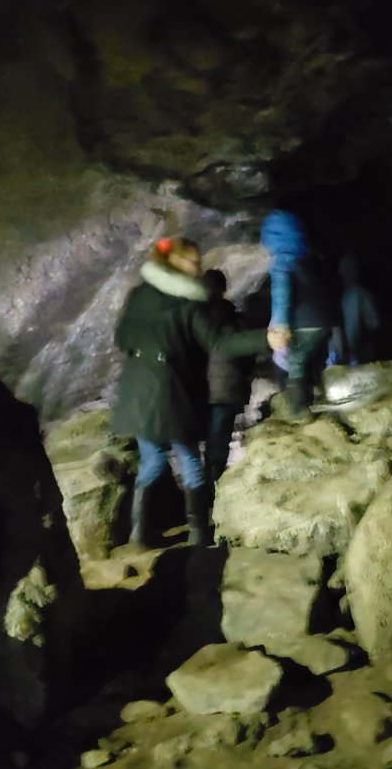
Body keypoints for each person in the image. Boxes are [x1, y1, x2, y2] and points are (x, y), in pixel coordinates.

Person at [112, 236, 268, 548]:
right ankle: (198, 532)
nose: (196, 268)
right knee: (188, 457)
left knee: (153, 459)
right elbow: (220, 344)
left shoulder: (140, 295)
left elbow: (122, 339)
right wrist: (266, 338)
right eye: (192, 262)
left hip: (136, 389)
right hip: (169, 390)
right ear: (172, 262)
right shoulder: (189, 303)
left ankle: (139, 533)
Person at [259, 210, 337, 417]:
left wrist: (280, 325)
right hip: (324, 320)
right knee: (316, 359)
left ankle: (299, 411)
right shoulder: (309, 260)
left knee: (296, 362)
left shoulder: (282, 263)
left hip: (304, 323)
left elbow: (282, 295)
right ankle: (326, 395)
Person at [203, 269, 253, 489]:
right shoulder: (235, 318)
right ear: (223, 290)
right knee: (220, 437)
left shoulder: (194, 317)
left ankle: (199, 486)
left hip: (200, 386)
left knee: (198, 438)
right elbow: (248, 353)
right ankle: (214, 482)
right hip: (228, 387)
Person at [334, 252, 381, 366]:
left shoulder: (358, 294)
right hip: (351, 353)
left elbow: (374, 325)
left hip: (359, 352)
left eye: (347, 270)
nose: (342, 274)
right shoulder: (346, 295)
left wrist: (361, 349)